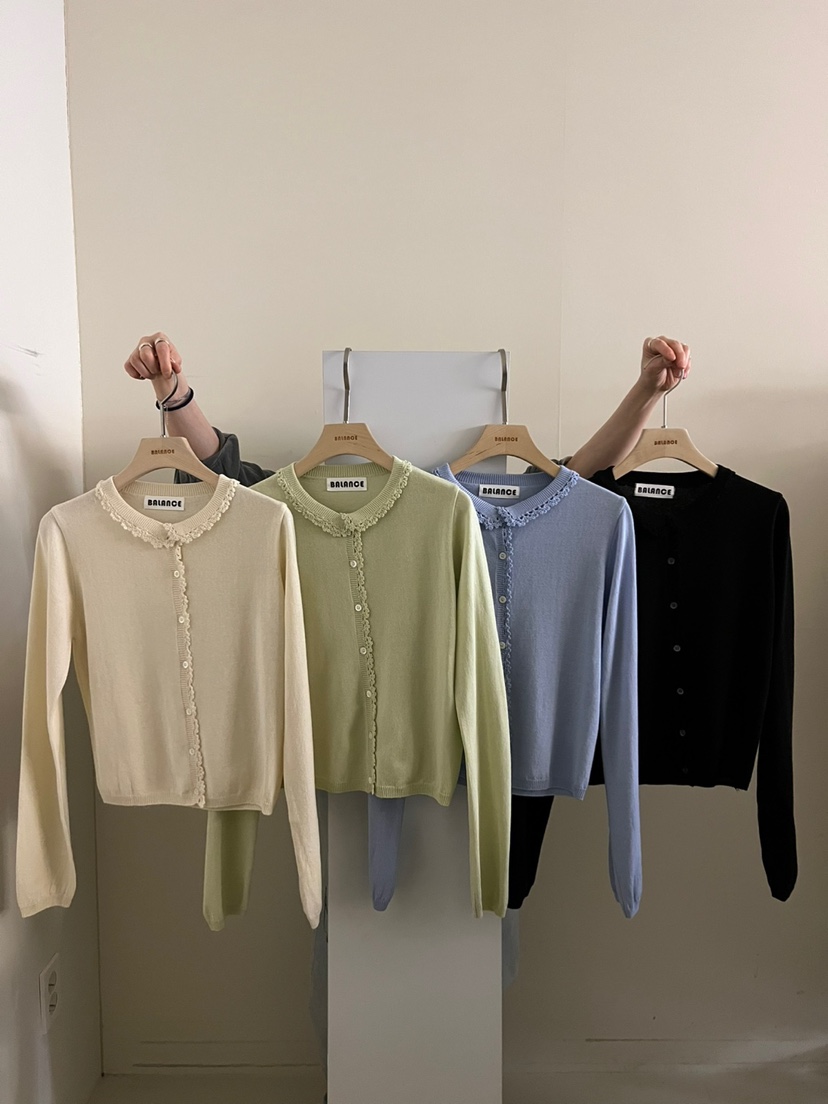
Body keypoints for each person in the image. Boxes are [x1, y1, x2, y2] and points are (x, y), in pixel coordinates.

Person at [124, 333, 692, 479]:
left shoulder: (478, 507)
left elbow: (581, 480)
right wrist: (173, 392)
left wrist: (646, 391)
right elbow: (220, 476)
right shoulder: (306, 503)